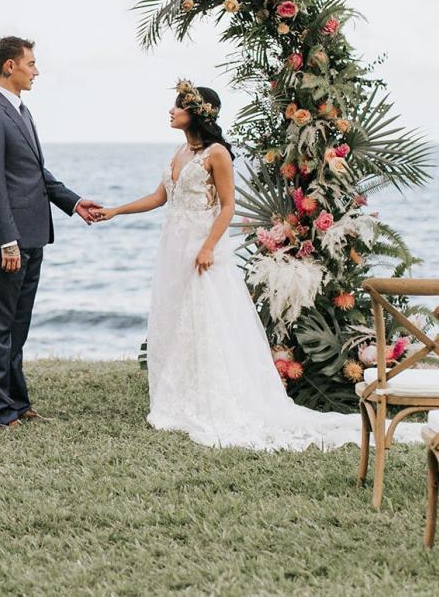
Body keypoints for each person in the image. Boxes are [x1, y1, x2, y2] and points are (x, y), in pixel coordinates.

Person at [96, 81, 365, 449]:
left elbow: (227, 206)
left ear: (198, 112)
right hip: (173, 247)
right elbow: (161, 197)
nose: (171, 111)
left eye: (178, 106)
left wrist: (208, 246)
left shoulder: (217, 153)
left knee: (206, 319)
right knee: (177, 318)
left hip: (201, 247)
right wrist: (115, 210)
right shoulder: (178, 152)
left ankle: (215, 399)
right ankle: (180, 396)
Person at [0, 36, 101, 430]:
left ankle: (18, 402)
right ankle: (0, 411)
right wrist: (8, 240)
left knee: (18, 325)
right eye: (31, 63)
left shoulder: (20, 111)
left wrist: (74, 203)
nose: (36, 71)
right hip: (5, 238)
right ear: (10, 66)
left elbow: (33, 173)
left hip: (33, 232)